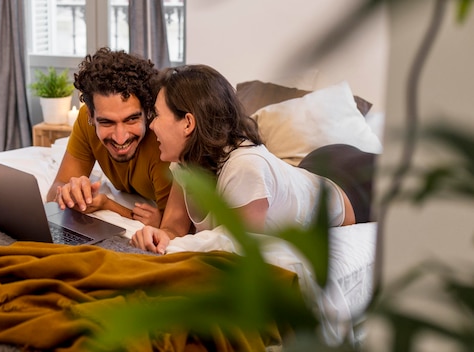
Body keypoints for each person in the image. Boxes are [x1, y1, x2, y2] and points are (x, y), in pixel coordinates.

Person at [130, 64, 359, 254]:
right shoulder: (185, 163)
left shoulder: (245, 167)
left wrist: (173, 243)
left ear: (188, 123)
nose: (151, 125)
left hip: (350, 184)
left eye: (157, 115)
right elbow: (174, 226)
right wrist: (160, 235)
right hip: (308, 170)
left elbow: (236, 247)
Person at [46, 48, 172, 227]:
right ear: (91, 115)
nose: (120, 138)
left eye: (131, 119)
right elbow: (54, 192)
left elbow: (171, 225)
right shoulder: (85, 121)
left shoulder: (162, 142)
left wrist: (107, 204)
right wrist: (68, 193)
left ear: (148, 112)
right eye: (107, 122)